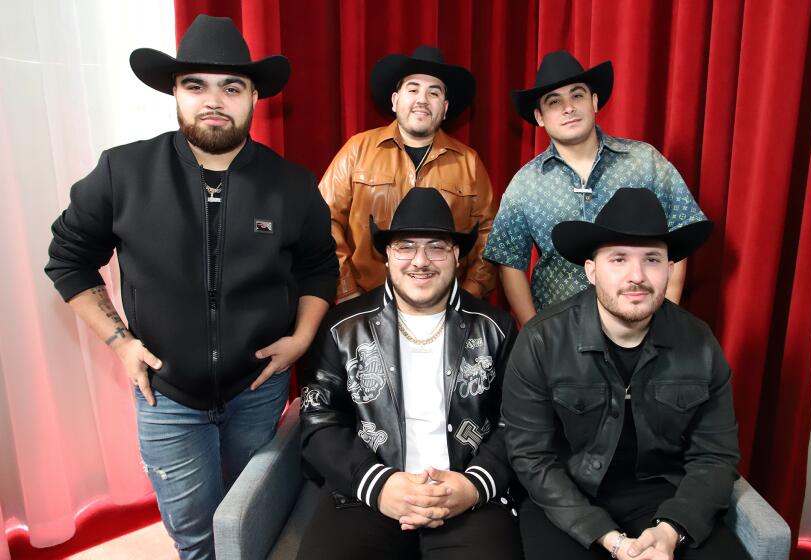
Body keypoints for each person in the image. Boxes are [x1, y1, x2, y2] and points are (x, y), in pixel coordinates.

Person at [44, 15, 337, 559]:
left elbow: (321, 267)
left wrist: (300, 339)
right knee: (197, 540)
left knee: (250, 523)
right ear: (174, 93)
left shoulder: (291, 184)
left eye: (231, 87)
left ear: (254, 98)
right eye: (195, 85)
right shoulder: (122, 172)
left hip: (257, 390)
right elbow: (68, 260)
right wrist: (120, 342)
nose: (214, 100)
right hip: (167, 397)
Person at [502, 188, 748, 560]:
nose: (637, 276)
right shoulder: (541, 340)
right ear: (591, 271)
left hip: (663, 494)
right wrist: (610, 539)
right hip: (566, 497)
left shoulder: (699, 343)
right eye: (618, 259)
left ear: (669, 269)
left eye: (652, 259)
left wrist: (672, 529)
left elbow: (715, 456)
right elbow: (531, 458)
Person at [297, 188, 522, 560]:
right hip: (367, 490)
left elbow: (518, 421)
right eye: (405, 246)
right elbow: (319, 419)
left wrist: (473, 485)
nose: (421, 261)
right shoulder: (343, 328)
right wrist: (379, 485)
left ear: (455, 255)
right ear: (387, 254)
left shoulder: (495, 327)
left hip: (467, 489)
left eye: (436, 247)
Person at [483, 50, 706, 325]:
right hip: (561, 335)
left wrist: (665, 320)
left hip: (640, 326)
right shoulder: (525, 184)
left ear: (594, 101)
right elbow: (509, 262)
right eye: (554, 102)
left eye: (577, 95)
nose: (568, 108)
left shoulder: (645, 161)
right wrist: (533, 331)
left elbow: (679, 237)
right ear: (539, 117)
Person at [319, 45, 497, 302]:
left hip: (443, 309)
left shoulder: (469, 162)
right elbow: (324, 222)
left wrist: (469, 295)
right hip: (362, 302)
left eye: (433, 92)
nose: (422, 100)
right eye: (413, 89)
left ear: (445, 108)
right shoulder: (356, 150)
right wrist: (346, 291)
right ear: (395, 100)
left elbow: (489, 236)